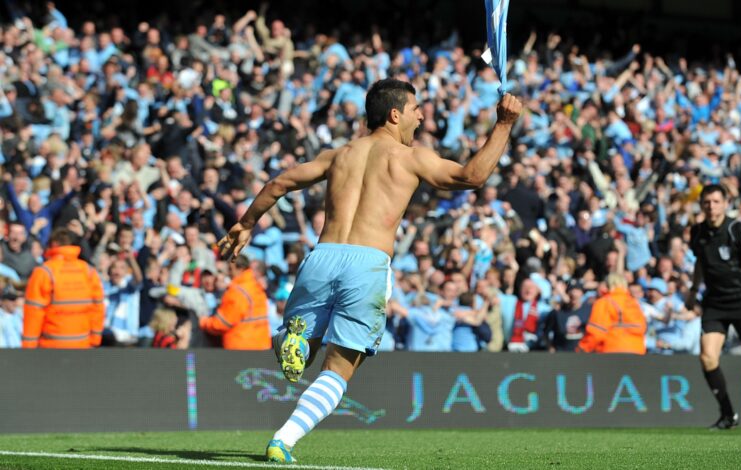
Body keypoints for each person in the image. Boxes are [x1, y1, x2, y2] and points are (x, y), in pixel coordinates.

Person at [218, 78, 522, 462]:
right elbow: (471, 177)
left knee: (297, 348)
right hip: (368, 264)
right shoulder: (409, 157)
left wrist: (246, 223)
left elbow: (280, 183)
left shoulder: (339, 154)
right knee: (339, 368)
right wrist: (504, 124)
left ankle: (291, 343)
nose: (422, 115)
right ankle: (283, 440)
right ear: (395, 114)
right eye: (416, 110)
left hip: (323, 256)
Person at [686, 184, 741, 430]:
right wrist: (693, 291)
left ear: (726, 203)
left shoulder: (738, 230)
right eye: (707, 202)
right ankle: (728, 415)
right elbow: (700, 263)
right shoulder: (697, 232)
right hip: (714, 303)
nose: (711, 207)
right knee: (707, 356)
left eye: (716, 202)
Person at [22, 228, 105, 348]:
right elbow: (98, 308)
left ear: (54, 244)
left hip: (51, 346)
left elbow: (34, 312)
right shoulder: (88, 271)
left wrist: (28, 346)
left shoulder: (44, 272)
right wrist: (95, 339)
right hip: (82, 343)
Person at [199, 255, 271, 350]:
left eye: (230, 269)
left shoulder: (237, 292)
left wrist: (203, 322)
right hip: (261, 345)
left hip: (242, 348)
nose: (228, 273)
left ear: (240, 269)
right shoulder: (255, 286)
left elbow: (222, 323)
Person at [576, 273, 647, 354]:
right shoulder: (633, 302)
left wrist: (581, 349)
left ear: (608, 285)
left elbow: (596, 331)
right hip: (637, 352)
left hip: (612, 352)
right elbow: (643, 327)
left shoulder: (604, 302)